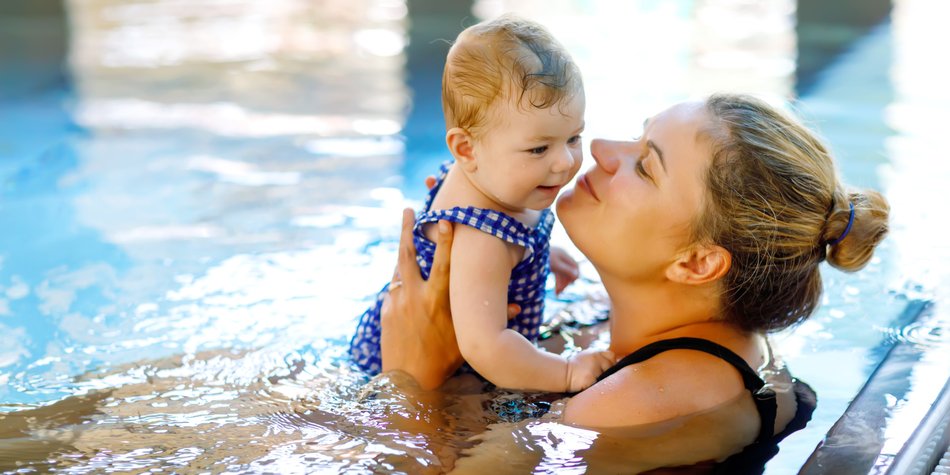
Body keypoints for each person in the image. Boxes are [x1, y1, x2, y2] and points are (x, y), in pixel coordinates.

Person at [379, 93, 890, 470]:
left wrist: (409, 378)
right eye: (638, 135)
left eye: (645, 166)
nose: (600, 148)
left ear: (696, 263)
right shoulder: (676, 339)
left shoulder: (652, 398)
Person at [349, 15, 615, 393]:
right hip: (429, 379)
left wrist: (538, 254)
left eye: (573, 137)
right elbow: (485, 347)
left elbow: (506, 250)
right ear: (466, 148)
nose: (566, 162)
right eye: (539, 148)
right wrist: (568, 372)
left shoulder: (490, 176)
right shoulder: (482, 238)